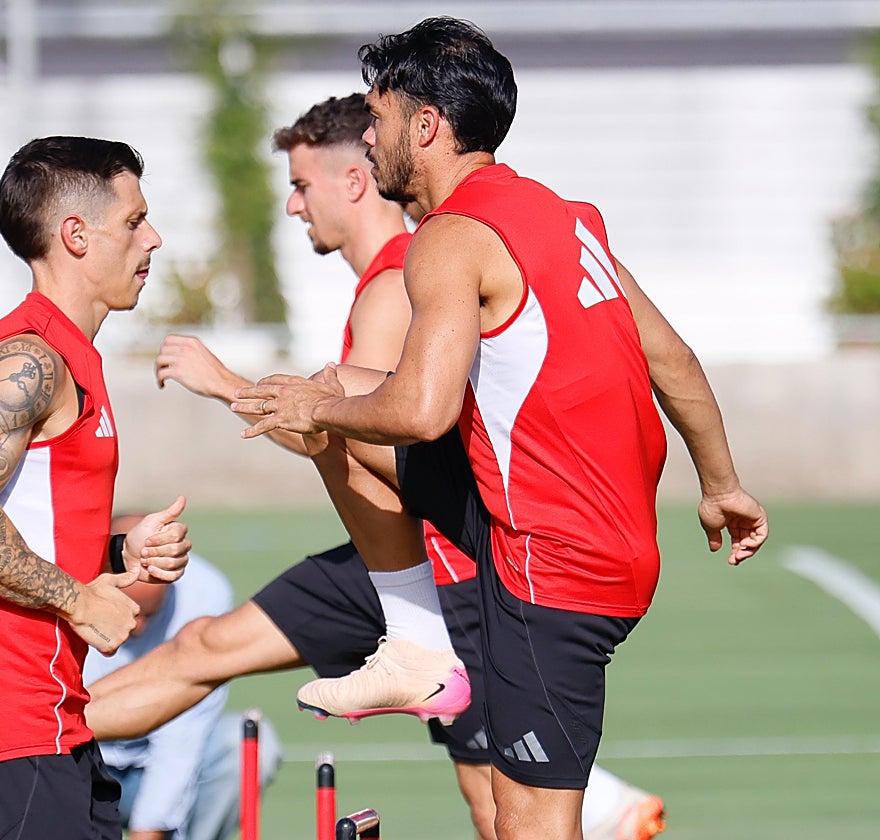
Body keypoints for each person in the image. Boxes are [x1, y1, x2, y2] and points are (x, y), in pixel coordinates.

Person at [233, 18, 768, 840]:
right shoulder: (563, 215)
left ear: (426, 126)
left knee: (525, 827)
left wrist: (316, 410)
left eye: (377, 119)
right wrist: (722, 485)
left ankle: (416, 644)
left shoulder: (447, 240)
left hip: (550, 567)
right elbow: (678, 363)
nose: (368, 139)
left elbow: (419, 410)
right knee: (337, 383)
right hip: (580, 535)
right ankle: (414, 643)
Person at [87, 95, 667, 840]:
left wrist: (228, 384)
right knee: (203, 648)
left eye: (301, 185)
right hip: (390, 553)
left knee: (502, 811)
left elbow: (355, 431)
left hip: (447, 568)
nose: (294, 207)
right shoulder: (391, 280)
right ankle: (40, 720)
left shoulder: (401, 283)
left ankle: (595, 796)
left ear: (355, 181)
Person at [0, 136, 192, 840]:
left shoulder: (70, 355)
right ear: (76, 235)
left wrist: (120, 552)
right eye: (134, 222)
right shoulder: (28, 357)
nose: (153, 239)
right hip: (8, 714)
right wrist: (78, 598)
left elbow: (30, 520)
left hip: (51, 710)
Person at [85, 513, 282, 840]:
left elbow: (182, 734)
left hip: (160, 766)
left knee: (246, 745)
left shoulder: (205, 593)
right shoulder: (67, 582)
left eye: (148, 614)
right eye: (128, 609)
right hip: (81, 767)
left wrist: (149, 830)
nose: (136, 627)